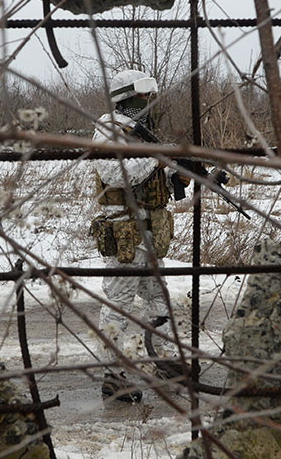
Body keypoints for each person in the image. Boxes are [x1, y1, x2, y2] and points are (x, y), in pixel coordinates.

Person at [88, 69, 186, 403]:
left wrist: (183, 172)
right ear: (126, 97)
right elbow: (114, 173)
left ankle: (167, 364)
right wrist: (155, 157)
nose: (147, 101)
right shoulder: (108, 129)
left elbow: (161, 169)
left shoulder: (141, 131)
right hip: (125, 232)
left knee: (159, 297)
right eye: (143, 96)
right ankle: (114, 377)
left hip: (150, 232)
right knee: (119, 305)